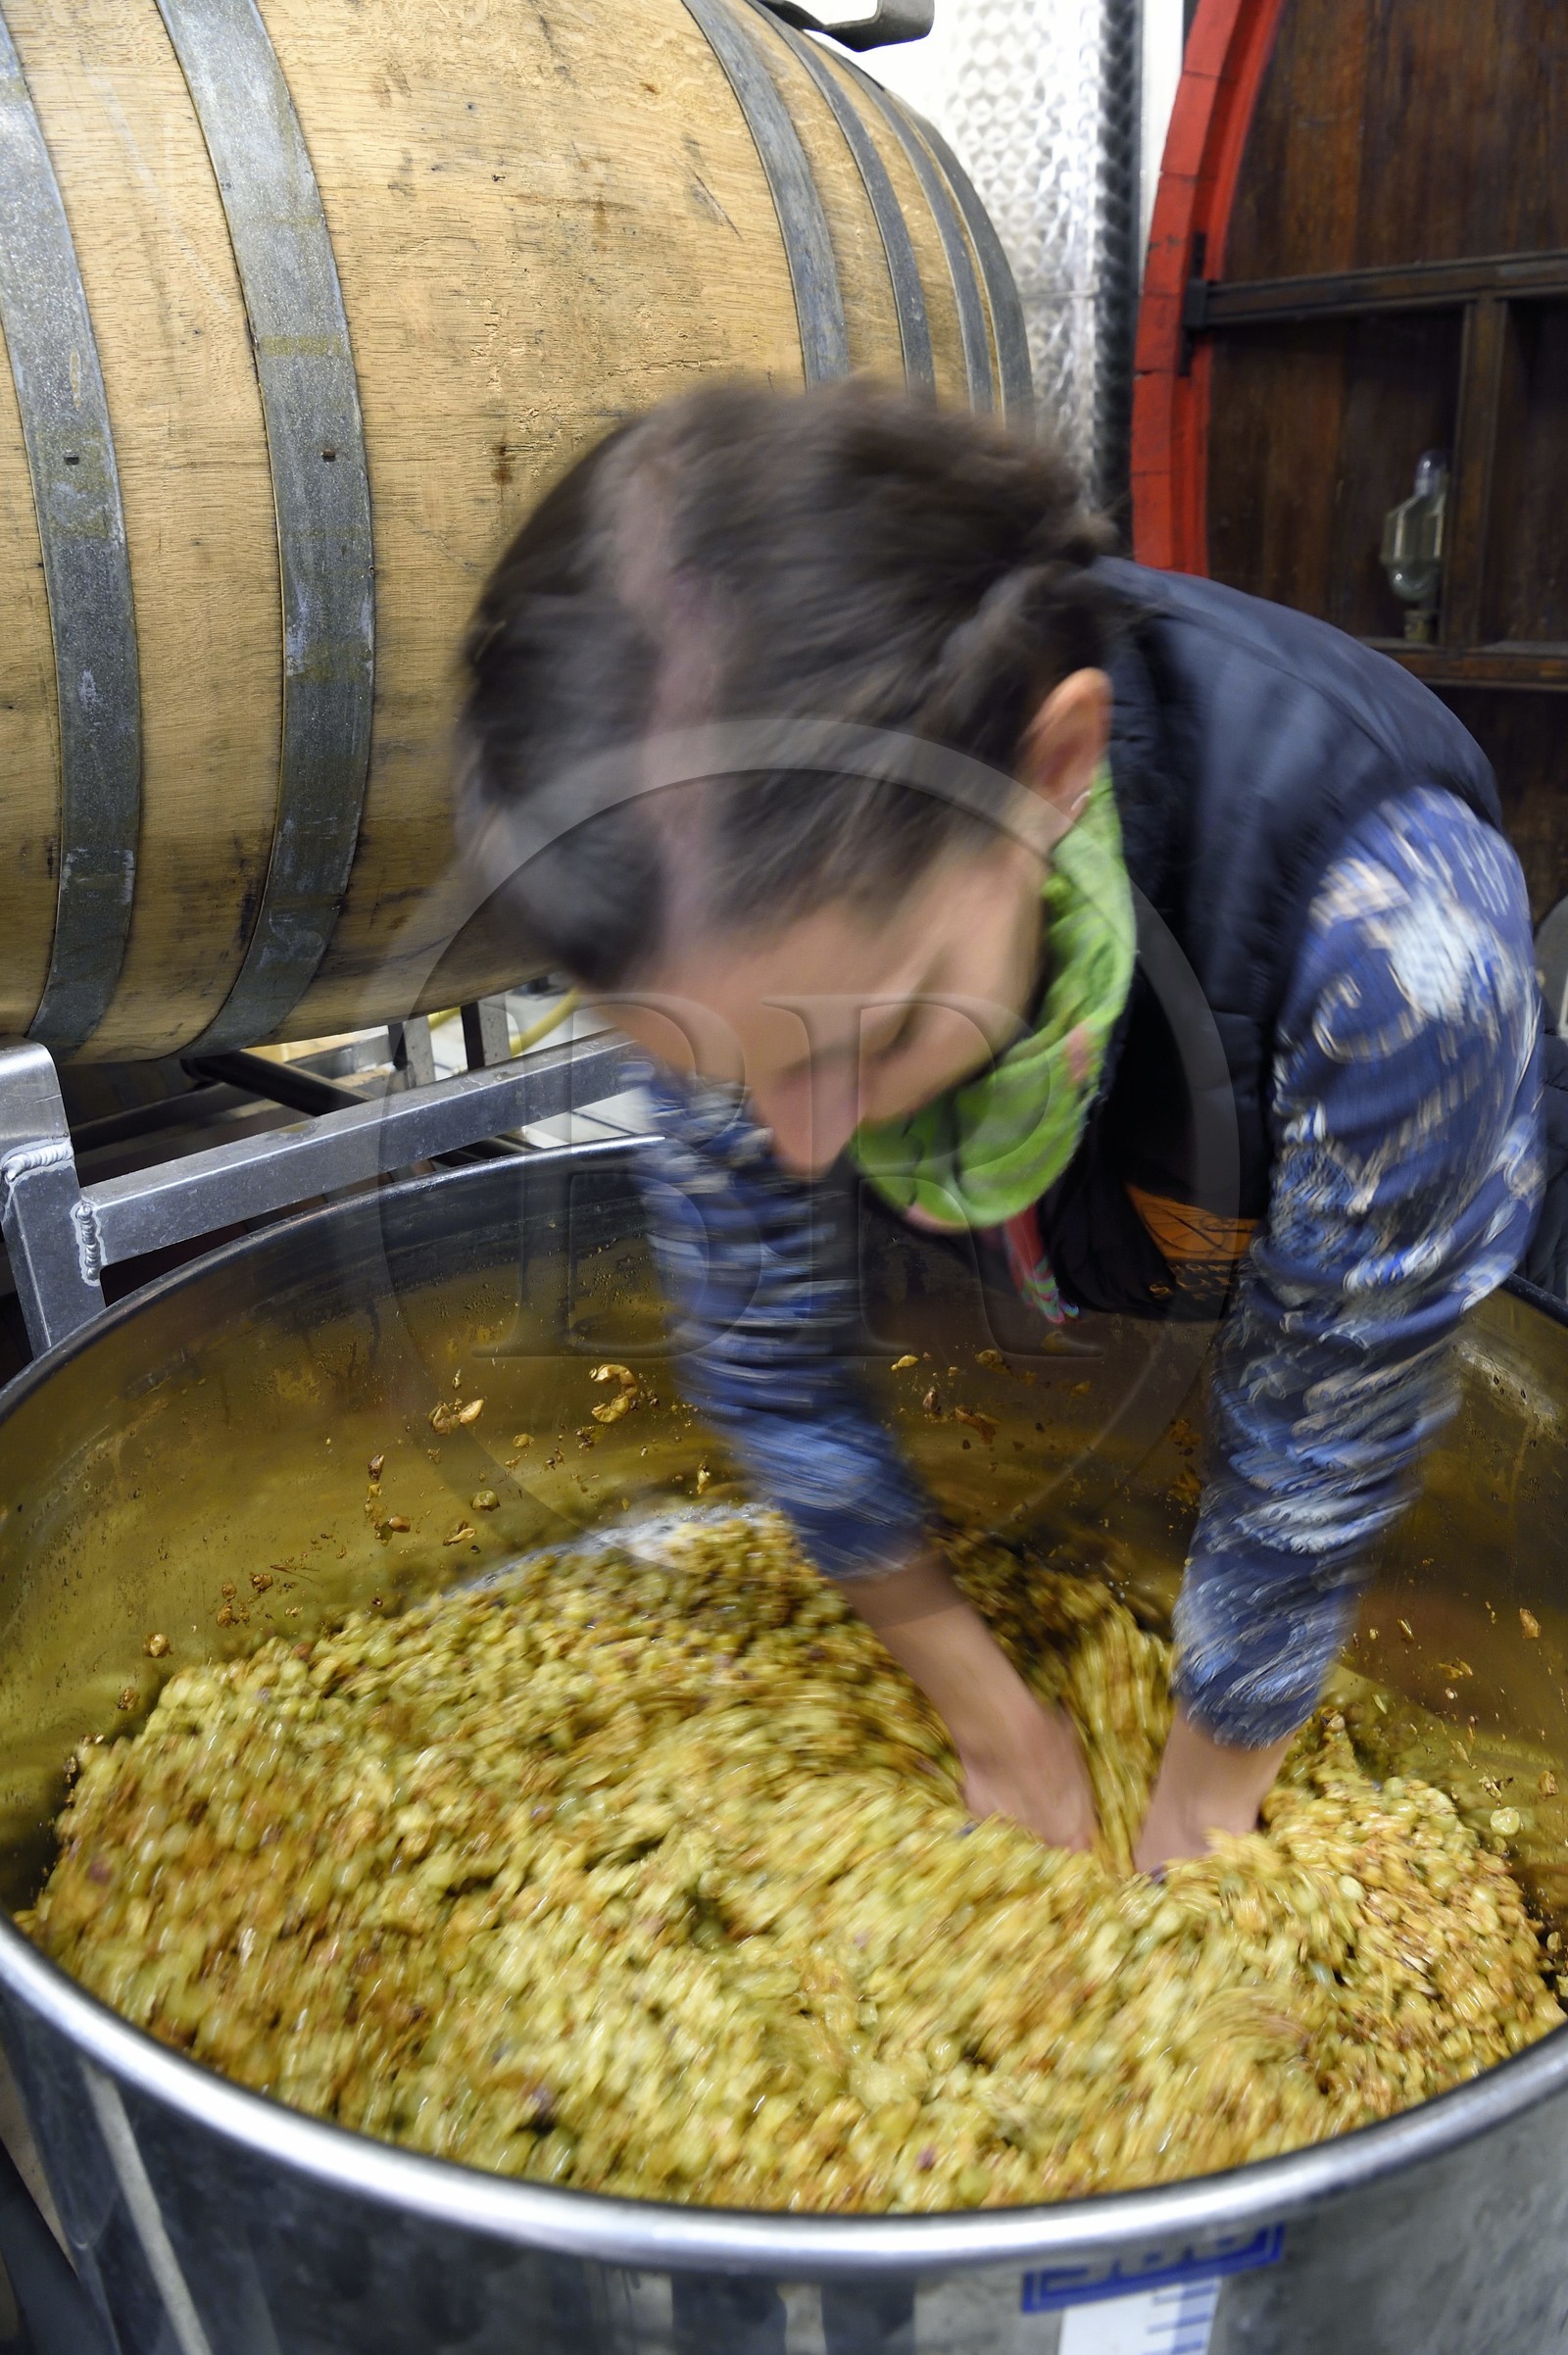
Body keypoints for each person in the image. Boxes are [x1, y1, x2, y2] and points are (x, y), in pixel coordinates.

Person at [459, 378, 1561, 1870]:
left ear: (1051, 773)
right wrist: (995, 1720)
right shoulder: (732, 925)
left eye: (875, 1037)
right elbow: (767, 1348)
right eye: (727, 1080)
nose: (795, 1144)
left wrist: (1203, 1811)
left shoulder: (1396, 950)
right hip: (1099, 1229)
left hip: (1397, 1210)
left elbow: (1324, 1440)